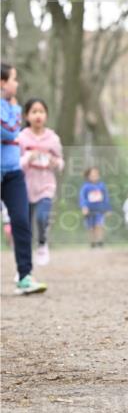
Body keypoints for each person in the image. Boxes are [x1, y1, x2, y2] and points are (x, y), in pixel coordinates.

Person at [0, 63, 46, 294]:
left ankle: (25, 276)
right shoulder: (11, 108)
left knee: (21, 220)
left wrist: (13, 111)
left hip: (13, 173)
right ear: (2, 83)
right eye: (13, 79)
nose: (16, 84)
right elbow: (8, 130)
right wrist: (17, 112)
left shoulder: (9, 106)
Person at [18, 97, 64, 266]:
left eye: (41, 112)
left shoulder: (52, 138)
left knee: (43, 217)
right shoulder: (22, 137)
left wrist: (55, 162)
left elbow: (61, 162)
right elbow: (16, 164)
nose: (38, 115)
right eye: (34, 111)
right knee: (26, 225)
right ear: (26, 116)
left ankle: (43, 243)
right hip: (25, 186)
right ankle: (25, 260)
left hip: (46, 184)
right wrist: (29, 157)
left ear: (46, 115)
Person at [79, 166, 110, 247]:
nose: (94, 176)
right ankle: (92, 242)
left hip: (99, 209)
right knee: (90, 227)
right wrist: (84, 207)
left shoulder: (102, 186)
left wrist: (107, 208)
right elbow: (82, 198)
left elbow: (106, 197)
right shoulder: (85, 187)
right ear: (88, 176)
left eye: (96, 174)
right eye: (92, 175)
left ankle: (100, 241)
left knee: (99, 225)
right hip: (89, 209)